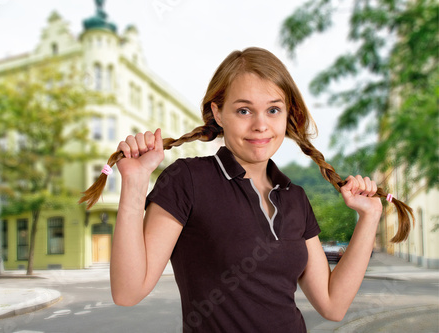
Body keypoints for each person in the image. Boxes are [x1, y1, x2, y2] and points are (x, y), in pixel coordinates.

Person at [79, 47, 414, 332]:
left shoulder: (294, 197)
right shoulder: (187, 180)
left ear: (288, 116)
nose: (260, 125)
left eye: (273, 109)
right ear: (218, 113)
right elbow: (127, 291)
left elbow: (332, 304)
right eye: (243, 110)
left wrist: (369, 218)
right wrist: (135, 184)